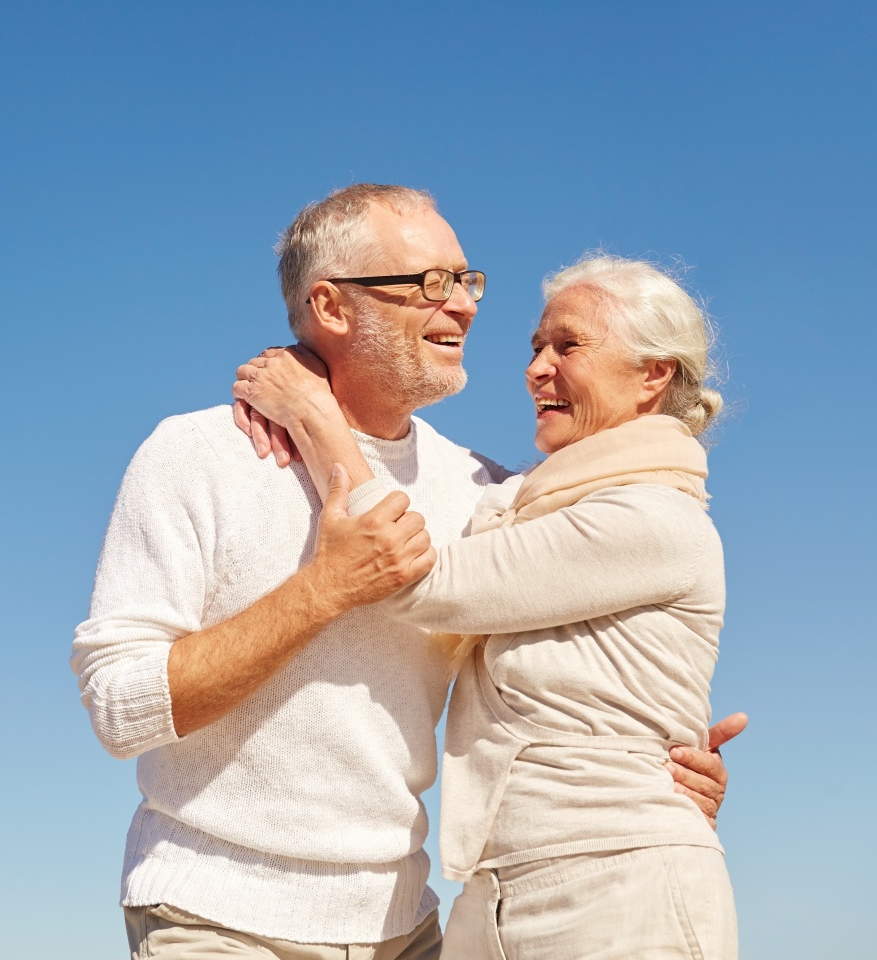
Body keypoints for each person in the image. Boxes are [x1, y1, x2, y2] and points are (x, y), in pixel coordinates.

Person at [73, 184, 741, 959]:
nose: (464, 304)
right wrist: (321, 590)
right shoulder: (202, 456)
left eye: (467, 280)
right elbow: (121, 710)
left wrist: (668, 768)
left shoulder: (489, 494)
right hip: (218, 917)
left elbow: (607, 636)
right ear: (331, 305)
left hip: (405, 929)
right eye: (430, 282)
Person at [234, 253, 739, 958]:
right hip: (496, 896)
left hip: (617, 885)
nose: (535, 369)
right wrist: (326, 367)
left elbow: (411, 576)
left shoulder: (653, 515)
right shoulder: (528, 503)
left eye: (568, 346)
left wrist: (314, 413)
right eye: (536, 348)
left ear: (653, 374)